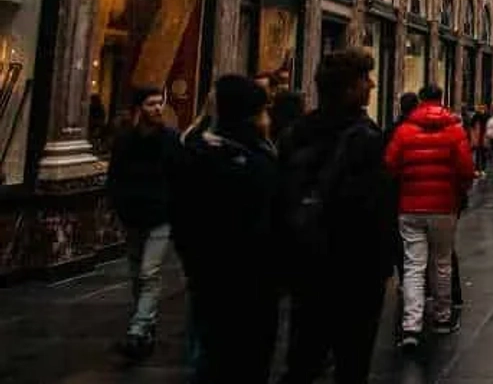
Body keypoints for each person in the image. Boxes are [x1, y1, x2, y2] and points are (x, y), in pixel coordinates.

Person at [277, 49, 398, 384]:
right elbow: (376, 210)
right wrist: (383, 264)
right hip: (355, 272)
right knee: (352, 363)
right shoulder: (366, 139)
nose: (372, 85)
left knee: (303, 359)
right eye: (364, 79)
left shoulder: (297, 132)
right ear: (348, 89)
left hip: (307, 264)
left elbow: (281, 199)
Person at [169, 75, 279, 384]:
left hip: (208, 274)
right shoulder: (257, 159)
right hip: (250, 280)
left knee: (210, 352)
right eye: (263, 111)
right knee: (245, 357)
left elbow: (181, 217)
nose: (268, 118)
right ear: (252, 115)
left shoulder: (196, 151)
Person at [385, 83, 473, 348]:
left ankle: (411, 325)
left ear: (421, 100)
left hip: (410, 206)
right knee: (442, 262)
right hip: (444, 206)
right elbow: (466, 170)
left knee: (413, 265)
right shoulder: (454, 130)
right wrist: (459, 191)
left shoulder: (404, 130)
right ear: (441, 99)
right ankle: (442, 317)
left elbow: (389, 165)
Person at [106, 86, 180, 360]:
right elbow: (115, 176)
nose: (158, 108)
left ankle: (137, 329)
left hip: (160, 216)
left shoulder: (171, 139)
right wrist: (119, 205)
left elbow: (178, 176)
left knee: (150, 273)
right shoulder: (125, 141)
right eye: (151, 104)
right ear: (139, 108)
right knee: (137, 274)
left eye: (160, 103)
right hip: (133, 215)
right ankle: (146, 324)